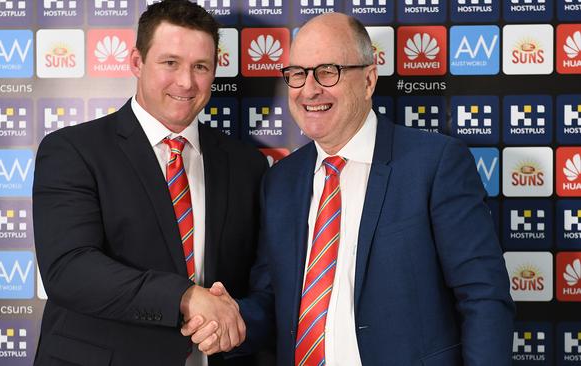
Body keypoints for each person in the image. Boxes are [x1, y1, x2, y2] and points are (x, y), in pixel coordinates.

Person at [184, 12, 515, 365]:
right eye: (298, 74)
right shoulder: (280, 182)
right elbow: (272, 300)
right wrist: (232, 322)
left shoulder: (435, 164)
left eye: (328, 71)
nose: (309, 89)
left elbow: (483, 297)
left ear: (369, 80)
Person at [32, 1, 267, 365]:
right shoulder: (72, 150)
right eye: (170, 63)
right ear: (136, 62)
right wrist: (185, 297)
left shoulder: (246, 163)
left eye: (200, 67)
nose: (186, 82)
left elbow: (260, 278)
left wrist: (236, 319)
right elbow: (70, 270)